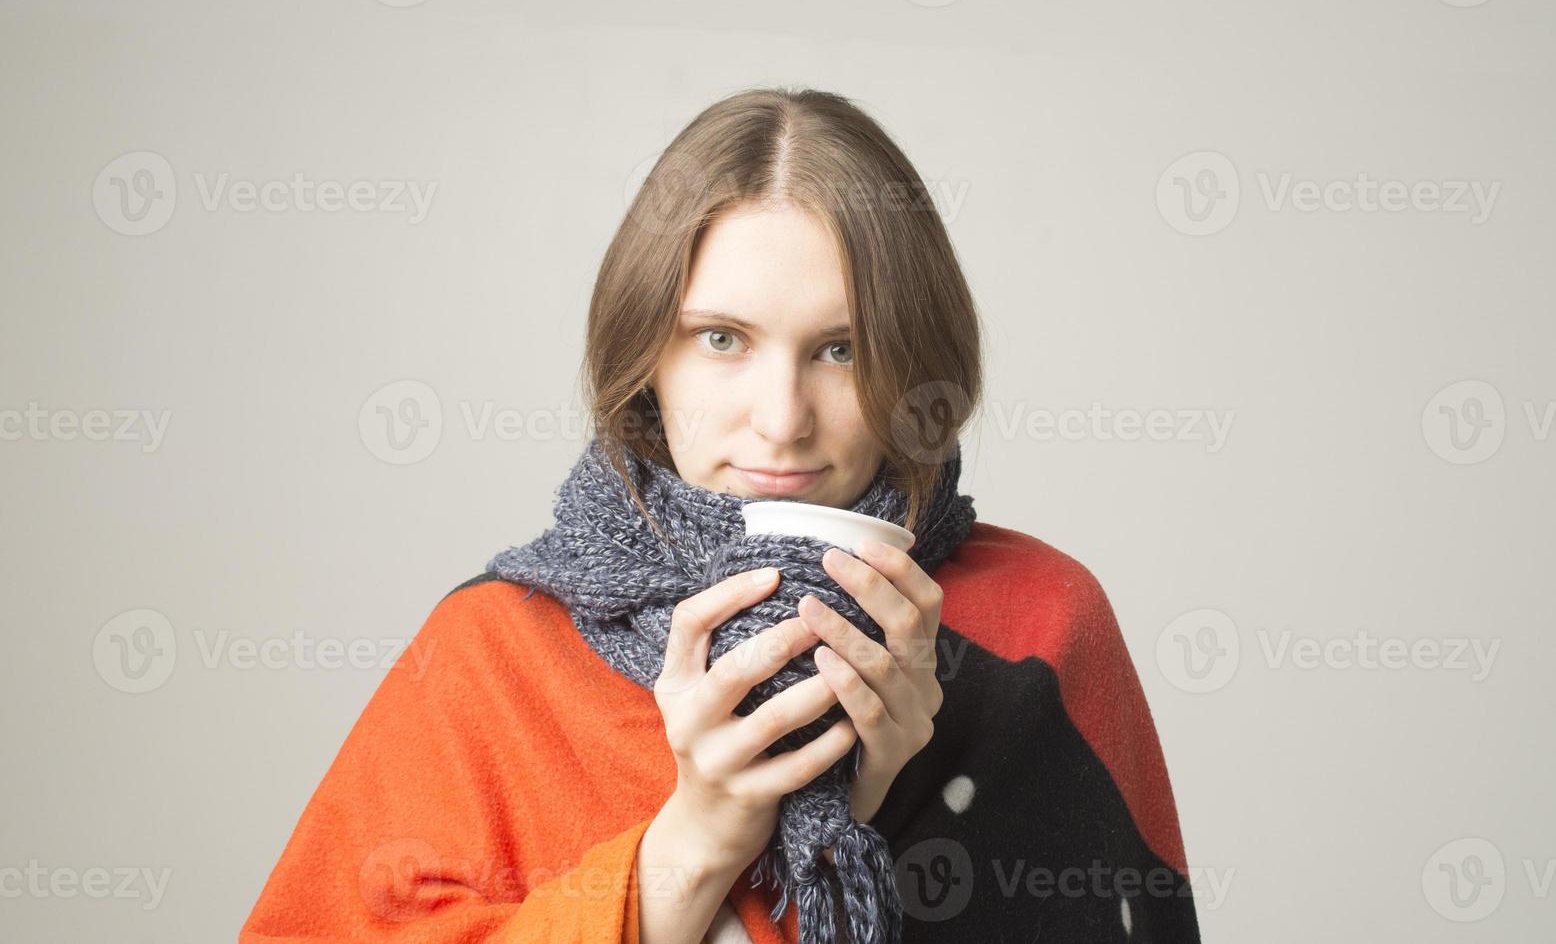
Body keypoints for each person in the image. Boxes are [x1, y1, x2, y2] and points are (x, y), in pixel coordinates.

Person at [240, 87, 1199, 943]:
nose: (781, 421)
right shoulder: (493, 650)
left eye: (841, 350)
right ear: (645, 356)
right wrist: (693, 844)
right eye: (722, 339)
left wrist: (901, 803)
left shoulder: (1041, 623)